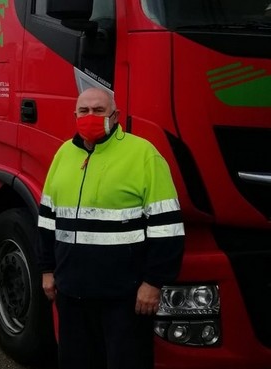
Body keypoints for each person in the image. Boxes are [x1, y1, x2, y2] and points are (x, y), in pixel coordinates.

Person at [36, 88, 184, 369]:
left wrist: (153, 283)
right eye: (84, 111)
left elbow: (168, 227)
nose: (90, 116)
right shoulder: (64, 154)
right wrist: (47, 270)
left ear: (115, 116)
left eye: (99, 110)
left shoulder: (143, 154)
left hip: (124, 297)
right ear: (75, 115)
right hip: (71, 292)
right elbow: (47, 220)